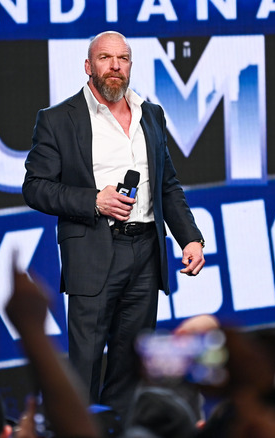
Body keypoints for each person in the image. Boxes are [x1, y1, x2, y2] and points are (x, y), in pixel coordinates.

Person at [22, 31, 205, 417]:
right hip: (94, 249)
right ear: (89, 66)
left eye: (123, 58)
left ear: (130, 66)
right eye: (105, 58)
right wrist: (94, 200)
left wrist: (190, 238)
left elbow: (166, 184)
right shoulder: (58, 119)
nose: (115, 66)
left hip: (146, 252)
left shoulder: (150, 114)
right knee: (85, 363)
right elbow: (35, 187)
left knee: (132, 364)